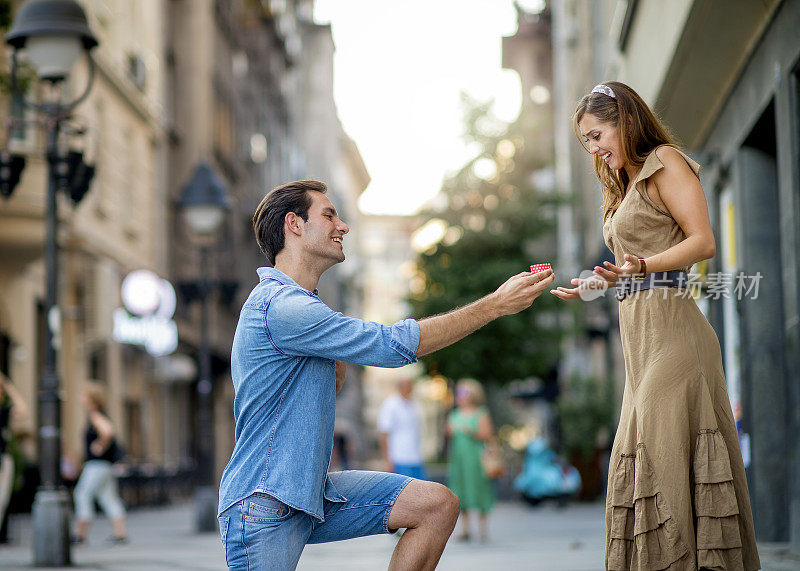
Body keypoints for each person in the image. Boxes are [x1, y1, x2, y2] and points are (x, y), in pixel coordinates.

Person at [217, 180, 555, 570]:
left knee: (436, 505)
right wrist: (495, 304)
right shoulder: (281, 305)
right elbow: (392, 346)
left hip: (310, 493)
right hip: (264, 502)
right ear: (294, 225)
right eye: (329, 215)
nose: (342, 226)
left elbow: (331, 382)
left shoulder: (308, 310)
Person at [551, 81, 759, 570]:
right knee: (643, 457)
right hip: (641, 342)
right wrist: (595, 285)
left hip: (675, 336)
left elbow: (703, 242)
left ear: (625, 121)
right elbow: (635, 269)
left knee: (660, 457)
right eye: (587, 142)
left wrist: (639, 268)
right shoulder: (627, 182)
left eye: (598, 135)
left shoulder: (666, 161)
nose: (595, 149)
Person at [72, 382, 127, 545]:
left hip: (97, 465)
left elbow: (108, 431)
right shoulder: (97, 414)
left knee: (82, 494)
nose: (80, 398)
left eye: (83, 395)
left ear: (90, 398)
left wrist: (100, 445)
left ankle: (79, 533)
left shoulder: (95, 415)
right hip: (105, 465)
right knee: (108, 498)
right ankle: (120, 534)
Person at [446, 379, 494, 543]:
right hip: (459, 461)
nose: (460, 396)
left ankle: (483, 530)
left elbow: (487, 434)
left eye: (464, 393)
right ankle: (465, 529)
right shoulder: (454, 414)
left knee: (480, 491)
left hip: (476, 460)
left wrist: (470, 431)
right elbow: (449, 435)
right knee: (460, 492)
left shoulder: (481, 413)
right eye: (459, 393)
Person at [377, 378, 425, 480]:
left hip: (415, 457)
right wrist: (387, 460)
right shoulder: (390, 405)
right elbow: (384, 433)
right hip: (398, 457)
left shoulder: (414, 404)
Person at [0, 373, 29, 543]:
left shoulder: (4, 411)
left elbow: (23, 410)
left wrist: (11, 389)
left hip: (3, 458)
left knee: (2, 499)